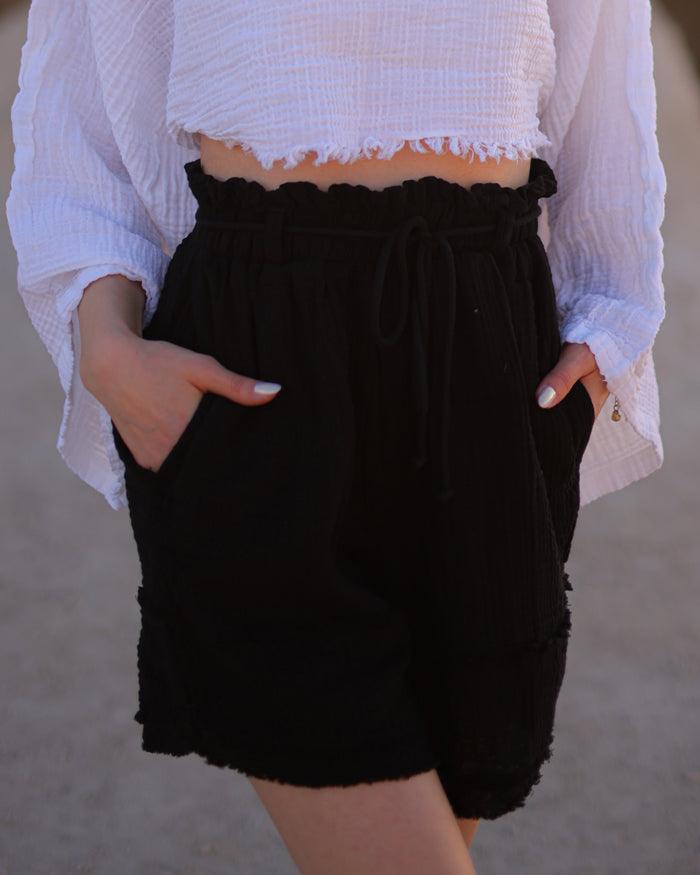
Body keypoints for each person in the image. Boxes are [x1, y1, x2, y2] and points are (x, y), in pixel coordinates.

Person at [5, 1, 666, 873]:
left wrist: (609, 322)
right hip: (257, 363)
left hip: (486, 354)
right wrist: (107, 340)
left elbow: (604, 76)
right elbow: (80, 94)